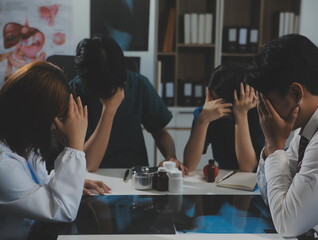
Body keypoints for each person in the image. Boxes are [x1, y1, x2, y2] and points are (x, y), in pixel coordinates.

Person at [246, 34, 318, 239]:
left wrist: (274, 144)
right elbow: (271, 197)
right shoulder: (312, 127)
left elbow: (287, 224)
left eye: (267, 102)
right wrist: (272, 147)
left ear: (296, 94)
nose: (263, 113)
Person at [0, 61, 112, 227]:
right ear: (36, 114)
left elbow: (37, 185)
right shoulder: (4, 165)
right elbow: (63, 211)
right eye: (56, 116)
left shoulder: (24, 145)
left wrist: (72, 185)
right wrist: (75, 142)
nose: (56, 125)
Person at [69, 35, 187, 173]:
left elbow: (160, 132)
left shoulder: (138, 84)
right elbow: (88, 164)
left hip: (134, 173)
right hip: (93, 176)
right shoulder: (75, 93)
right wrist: (109, 110)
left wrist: (171, 157)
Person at [183, 63, 264, 171]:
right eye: (210, 96)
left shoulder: (258, 114)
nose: (212, 103)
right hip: (224, 177)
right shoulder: (207, 113)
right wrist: (202, 120)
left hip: (254, 180)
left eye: (216, 99)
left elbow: (248, 168)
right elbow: (189, 165)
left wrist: (241, 116)